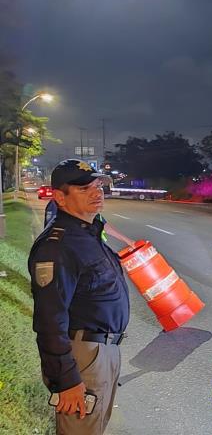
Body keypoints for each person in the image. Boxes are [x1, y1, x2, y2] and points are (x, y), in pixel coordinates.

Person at [28, 159, 130, 434]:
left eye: (98, 186)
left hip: (103, 352)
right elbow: (49, 321)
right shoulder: (58, 247)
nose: (97, 193)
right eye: (84, 189)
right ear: (60, 197)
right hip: (82, 358)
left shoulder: (87, 232)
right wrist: (67, 380)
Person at [44, 199, 135, 247]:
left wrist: (128, 241)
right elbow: (51, 233)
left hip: (92, 250)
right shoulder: (57, 205)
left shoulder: (85, 204)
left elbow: (104, 225)